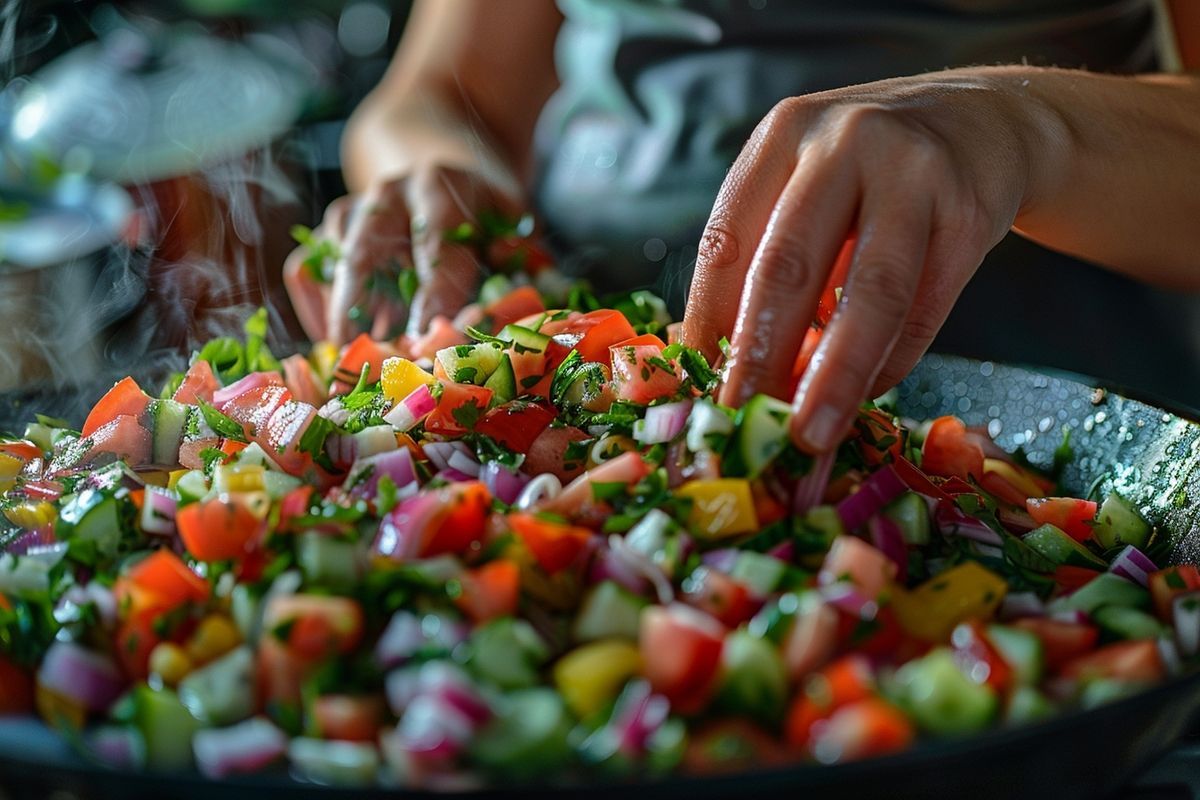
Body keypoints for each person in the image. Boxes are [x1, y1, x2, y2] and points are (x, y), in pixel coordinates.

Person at [284, 0, 1200, 453]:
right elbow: (444, 91)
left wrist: (1025, 124)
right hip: (579, 403)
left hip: (1055, 418)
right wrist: (432, 179)